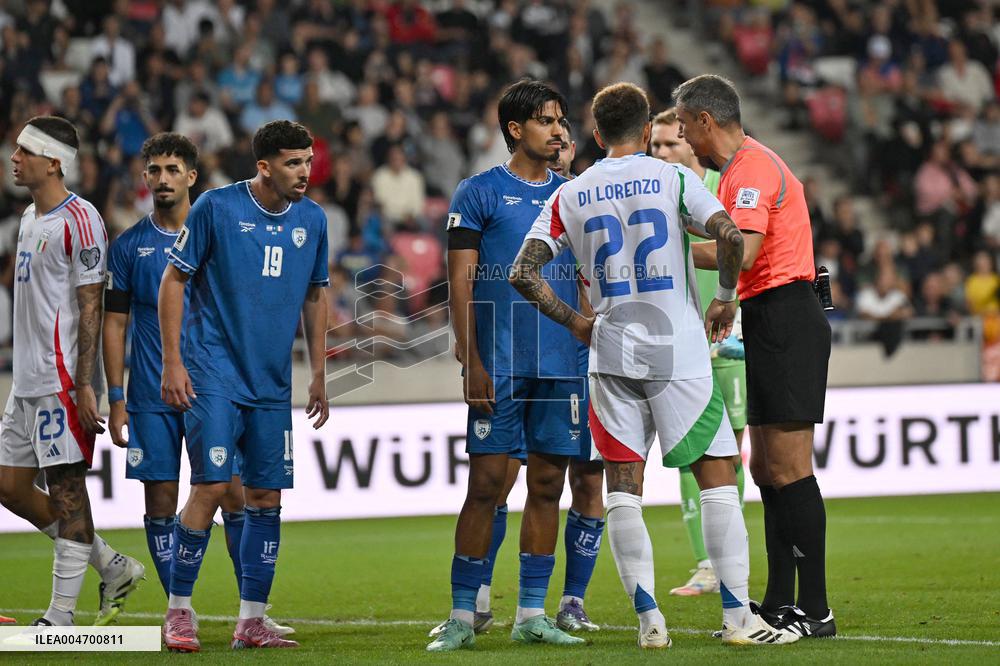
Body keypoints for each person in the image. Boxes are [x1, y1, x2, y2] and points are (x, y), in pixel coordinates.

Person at [511, 82, 799, 648]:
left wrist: (574, 322)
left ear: (595, 134)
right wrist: (726, 294)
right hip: (679, 348)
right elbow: (728, 235)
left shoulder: (571, 193)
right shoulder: (673, 177)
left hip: (611, 350)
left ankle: (650, 624)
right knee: (716, 476)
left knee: (623, 486)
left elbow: (524, 271)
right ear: (647, 132)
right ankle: (739, 618)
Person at [102, 133, 292, 636]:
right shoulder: (129, 246)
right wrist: (116, 397)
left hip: (215, 385)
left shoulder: (222, 229)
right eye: (153, 170)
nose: (161, 179)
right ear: (144, 178)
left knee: (231, 496)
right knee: (161, 504)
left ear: (191, 177)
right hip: (150, 393)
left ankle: (250, 612)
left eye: (171, 170)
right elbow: (115, 324)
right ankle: (178, 614)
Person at [427, 79, 587, 652]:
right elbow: (460, 280)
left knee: (548, 486)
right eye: (547, 120)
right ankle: (462, 616)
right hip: (500, 362)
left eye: (563, 120)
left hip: (562, 362)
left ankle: (530, 615)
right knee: (487, 485)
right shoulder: (479, 192)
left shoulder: (574, 196)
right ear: (516, 130)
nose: (560, 130)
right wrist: (470, 357)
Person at [674, 73, 835, 638]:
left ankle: (815, 611)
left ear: (705, 120)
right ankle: (776, 604)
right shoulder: (734, 172)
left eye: (685, 125)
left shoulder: (753, 168)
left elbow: (743, 251)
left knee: (791, 467)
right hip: (767, 315)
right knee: (765, 468)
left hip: (789, 316)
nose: (685, 138)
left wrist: (671, 250)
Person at [159, 120, 330, 651]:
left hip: (272, 381)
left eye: (307, 160)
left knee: (265, 495)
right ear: (264, 166)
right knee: (211, 485)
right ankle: (179, 612)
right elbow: (174, 280)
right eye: (292, 162)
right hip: (213, 372)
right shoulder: (216, 207)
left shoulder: (314, 219)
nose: (304, 171)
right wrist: (172, 362)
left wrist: (320, 370)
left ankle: (251, 620)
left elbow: (317, 295)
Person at [0, 116, 144, 627]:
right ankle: (112, 564)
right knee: (9, 486)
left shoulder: (80, 219)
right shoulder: (27, 219)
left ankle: (59, 618)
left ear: (52, 161)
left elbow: (91, 306)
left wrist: (86, 384)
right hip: (25, 384)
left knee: (68, 495)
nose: (13, 159)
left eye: (23, 151)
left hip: (62, 384)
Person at [650, 109, 748, 597]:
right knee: (693, 454)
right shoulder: (658, 197)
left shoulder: (721, 189)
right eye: (656, 146)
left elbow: (747, 250)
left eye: (671, 144)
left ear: (690, 143)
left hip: (730, 344)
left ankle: (731, 552)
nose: (663, 153)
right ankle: (708, 562)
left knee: (732, 450)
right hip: (680, 346)